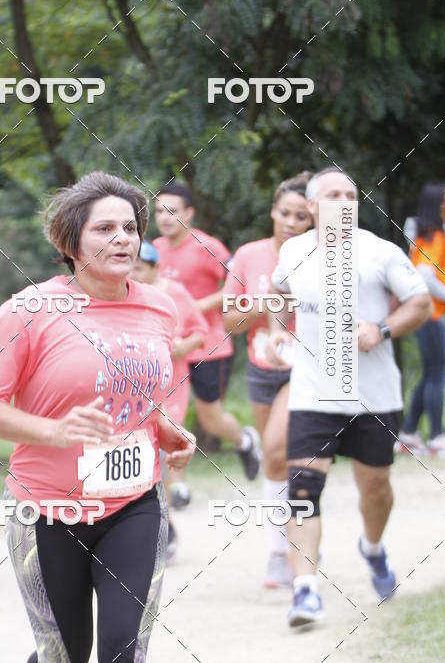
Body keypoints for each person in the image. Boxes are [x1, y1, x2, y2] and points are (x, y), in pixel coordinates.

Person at [0, 172, 195, 663]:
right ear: (70, 242)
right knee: (65, 662)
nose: (123, 237)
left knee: (126, 655)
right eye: (105, 228)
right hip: (47, 511)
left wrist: (165, 431)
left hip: (134, 505)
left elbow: (139, 401)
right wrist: (53, 430)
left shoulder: (160, 308)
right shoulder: (30, 311)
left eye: (130, 226)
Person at [266, 168, 432, 628]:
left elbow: (419, 303)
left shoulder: (380, 252)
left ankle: (373, 548)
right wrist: (278, 334)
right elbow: (277, 292)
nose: (343, 200)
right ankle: (304, 591)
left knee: (375, 487)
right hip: (314, 391)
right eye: (332, 194)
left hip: (374, 397)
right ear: (313, 206)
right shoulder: (294, 250)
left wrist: (381, 330)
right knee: (302, 490)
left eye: (350, 195)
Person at [222, 173, 313, 588]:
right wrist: (261, 305)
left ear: (313, 221)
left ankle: (289, 550)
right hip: (261, 369)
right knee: (277, 462)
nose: (292, 222)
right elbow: (229, 321)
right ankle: (285, 546)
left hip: (306, 368)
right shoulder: (248, 255)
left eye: (301, 216)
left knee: (276, 448)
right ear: (273, 211)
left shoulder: (321, 256)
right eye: (285, 213)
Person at [154, 181, 260, 490]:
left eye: (172, 211)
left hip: (209, 345)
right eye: (159, 211)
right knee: (166, 415)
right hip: (171, 347)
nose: (165, 217)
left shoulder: (207, 246)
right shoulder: (154, 250)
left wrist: (199, 306)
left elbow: (238, 281)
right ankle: (178, 487)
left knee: (210, 418)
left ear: (189, 213)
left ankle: (245, 441)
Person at [132, 239, 208, 559]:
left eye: (139, 268)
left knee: (159, 456)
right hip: (134, 390)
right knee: (143, 459)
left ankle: (165, 527)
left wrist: (182, 346)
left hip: (172, 386)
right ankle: (158, 524)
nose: (133, 273)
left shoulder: (174, 293)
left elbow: (200, 332)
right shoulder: (121, 294)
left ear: (154, 268)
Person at [397, 182, 445, 456]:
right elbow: (425, 275)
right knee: (438, 372)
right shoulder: (433, 235)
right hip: (427, 312)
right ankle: (436, 437)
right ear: (441, 203)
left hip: (430, 312)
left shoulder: (441, 232)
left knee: (432, 371)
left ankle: (407, 434)